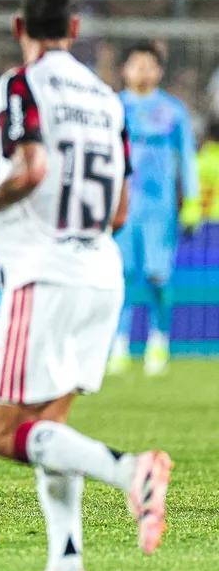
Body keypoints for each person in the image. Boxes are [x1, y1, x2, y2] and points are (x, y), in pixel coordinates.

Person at [0, 0, 171, 571]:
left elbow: (31, 169)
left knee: (3, 434)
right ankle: (66, 567)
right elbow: (121, 208)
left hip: (43, 275)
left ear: (19, 27)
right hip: (101, 273)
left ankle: (131, 471)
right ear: (75, 28)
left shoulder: (18, 85)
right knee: (50, 431)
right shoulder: (108, 100)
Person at [107, 42, 201, 377]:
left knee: (158, 275)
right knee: (121, 275)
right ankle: (118, 345)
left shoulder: (173, 111)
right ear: (125, 70)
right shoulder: (113, 108)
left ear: (159, 71)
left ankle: (158, 340)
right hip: (122, 205)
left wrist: (192, 202)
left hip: (160, 207)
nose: (143, 71)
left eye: (149, 65)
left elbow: (187, 157)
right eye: (137, 64)